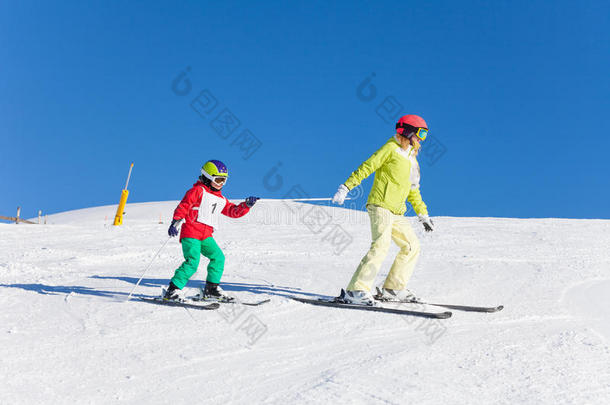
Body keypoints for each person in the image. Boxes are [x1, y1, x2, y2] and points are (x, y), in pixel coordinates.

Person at [331, 114, 434, 306]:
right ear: (408, 131)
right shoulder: (390, 149)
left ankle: (393, 288)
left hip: (397, 212)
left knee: (412, 246)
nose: (421, 139)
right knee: (381, 244)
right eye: (420, 134)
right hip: (380, 206)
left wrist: (423, 214)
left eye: (425, 135)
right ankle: (356, 290)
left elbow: (413, 190)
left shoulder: (412, 160)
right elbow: (367, 167)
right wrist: (346, 187)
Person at [163, 160, 259, 301]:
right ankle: (172, 290)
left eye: (224, 180)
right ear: (207, 177)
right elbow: (184, 205)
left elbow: (233, 211)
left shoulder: (221, 199)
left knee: (218, 257)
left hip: (206, 235)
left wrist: (246, 205)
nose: (221, 183)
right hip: (191, 233)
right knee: (192, 262)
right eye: (218, 179)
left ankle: (211, 289)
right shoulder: (197, 191)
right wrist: (176, 221)